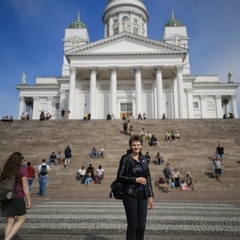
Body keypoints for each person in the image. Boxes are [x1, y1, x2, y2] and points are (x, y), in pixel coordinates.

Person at [116, 134, 154, 240]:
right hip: (130, 194)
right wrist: (135, 180)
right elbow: (119, 177)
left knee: (141, 226)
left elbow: (148, 178)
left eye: (138, 145)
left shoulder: (144, 159)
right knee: (133, 225)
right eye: (134, 145)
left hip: (143, 195)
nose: (136, 147)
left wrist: (150, 196)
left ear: (141, 146)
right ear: (130, 146)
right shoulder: (126, 159)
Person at [0, 152, 31, 240]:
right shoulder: (22, 169)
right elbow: (25, 186)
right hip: (17, 197)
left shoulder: (6, 170)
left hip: (6, 197)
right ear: (20, 160)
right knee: (21, 219)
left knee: (10, 221)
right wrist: (28, 200)